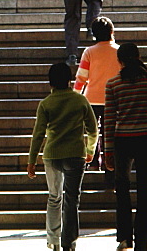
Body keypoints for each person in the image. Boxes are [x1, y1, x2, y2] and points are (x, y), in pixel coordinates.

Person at [104, 43, 147, 251]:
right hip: (146, 140)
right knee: (144, 190)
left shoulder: (113, 84)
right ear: (139, 57)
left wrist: (108, 151)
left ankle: (124, 237)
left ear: (120, 61)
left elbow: (108, 119)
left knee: (122, 189)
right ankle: (143, 241)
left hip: (122, 140)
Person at [27, 62, 98, 251]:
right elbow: (93, 129)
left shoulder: (46, 104)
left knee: (54, 197)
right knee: (72, 199)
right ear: (69, 80)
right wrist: (90, 149)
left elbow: (38, 134)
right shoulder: (80, 100)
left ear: (50, 82)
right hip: (75, 154)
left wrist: (32, 160)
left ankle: (53, 240)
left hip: (52, 155)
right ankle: (69, 243)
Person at [73, 16, 121, 186]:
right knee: (110, 135)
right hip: (114, 100)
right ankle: (110, 169)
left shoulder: (89, 52)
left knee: (93, 132)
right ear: (112, 32)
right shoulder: (119, 51)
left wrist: (75, 95)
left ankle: (92, 161)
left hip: (92, 99)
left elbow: (81, 78)